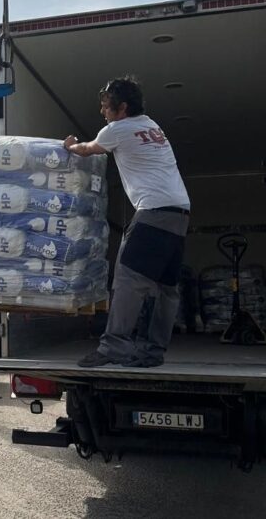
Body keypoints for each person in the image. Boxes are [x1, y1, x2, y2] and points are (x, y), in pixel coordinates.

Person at [63, 76, 190, 368]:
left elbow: (88, 149)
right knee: (167, 288)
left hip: (154, 211)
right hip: (180, 211)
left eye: (106, 107)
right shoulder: (151, 126)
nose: (102, 112)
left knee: (128, 280)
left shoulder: (117, 129)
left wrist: (69, 146)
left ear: (122, 108)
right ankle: (153, 351)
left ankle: (113, 347)